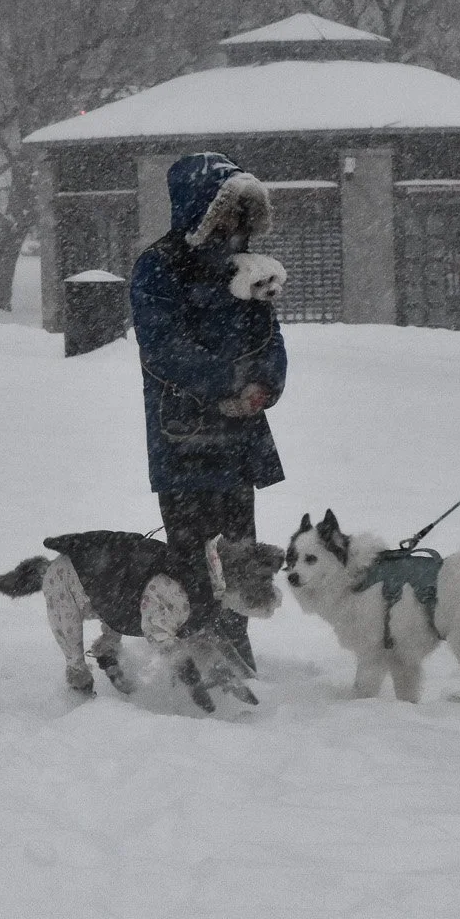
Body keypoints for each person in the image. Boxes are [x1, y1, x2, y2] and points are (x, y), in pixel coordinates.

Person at [130, 152, 286, 675]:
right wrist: (228, 384)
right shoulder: (159, 264)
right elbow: (162, 350)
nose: (236, 228)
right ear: (202, 210)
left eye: (244, 215)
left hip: (238, 436)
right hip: (185, 437)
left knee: (239, 557)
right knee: (193, 558)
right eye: (228, 213)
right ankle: (195, 659)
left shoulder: (248, 269)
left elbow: (271, 339)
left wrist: (266, 383)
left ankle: (235, 656)